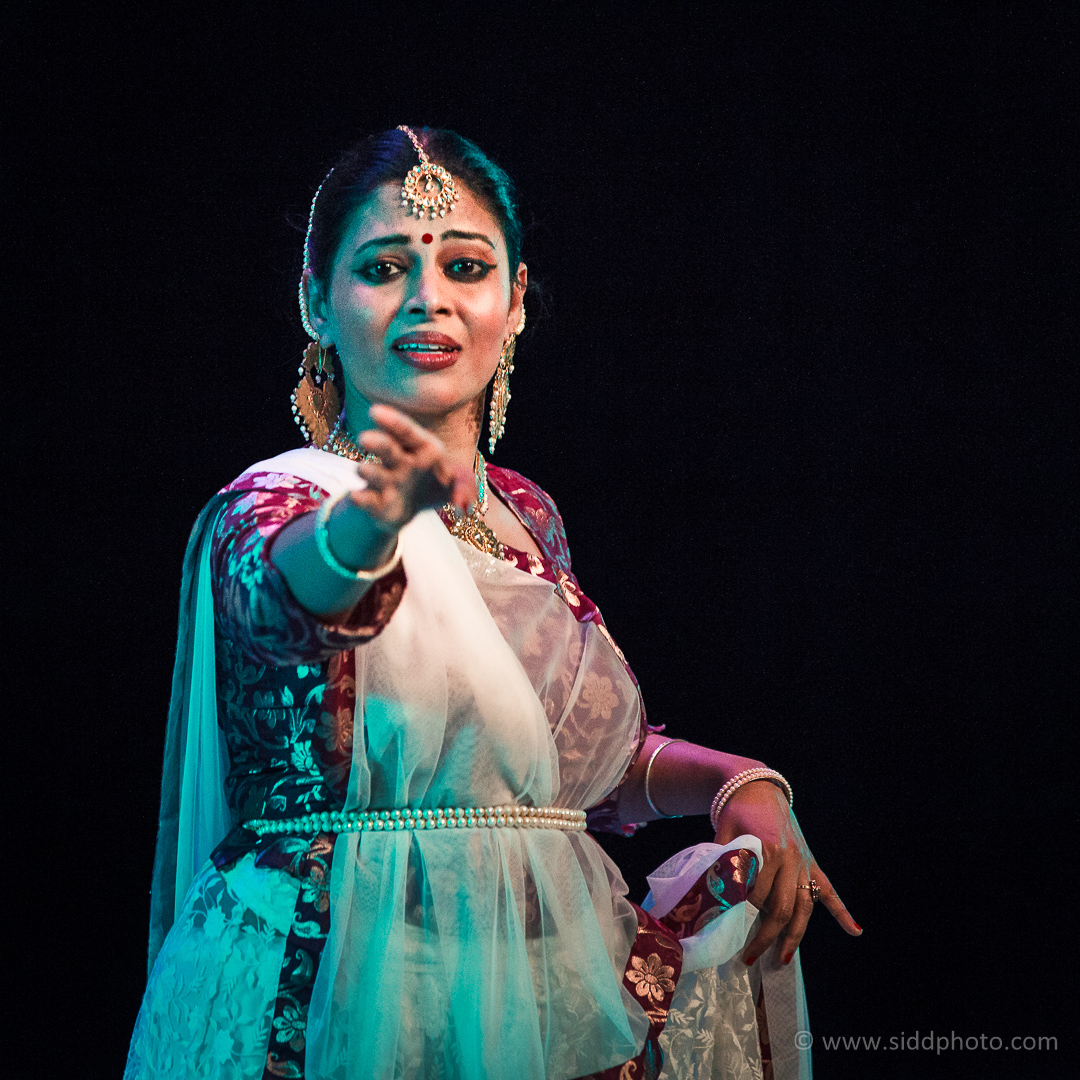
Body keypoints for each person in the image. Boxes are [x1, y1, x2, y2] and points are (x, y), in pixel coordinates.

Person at [125, 126, 860, 1080]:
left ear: (514, 303)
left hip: (539, 1003)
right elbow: (288, 598)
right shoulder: (278, 501)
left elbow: (546, 768)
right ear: (316, 302)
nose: (428, 296)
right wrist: (370, 524)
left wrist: (733, 781)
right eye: (383, 267)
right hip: (334, 1004)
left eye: (466, 266)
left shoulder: (530, 515)